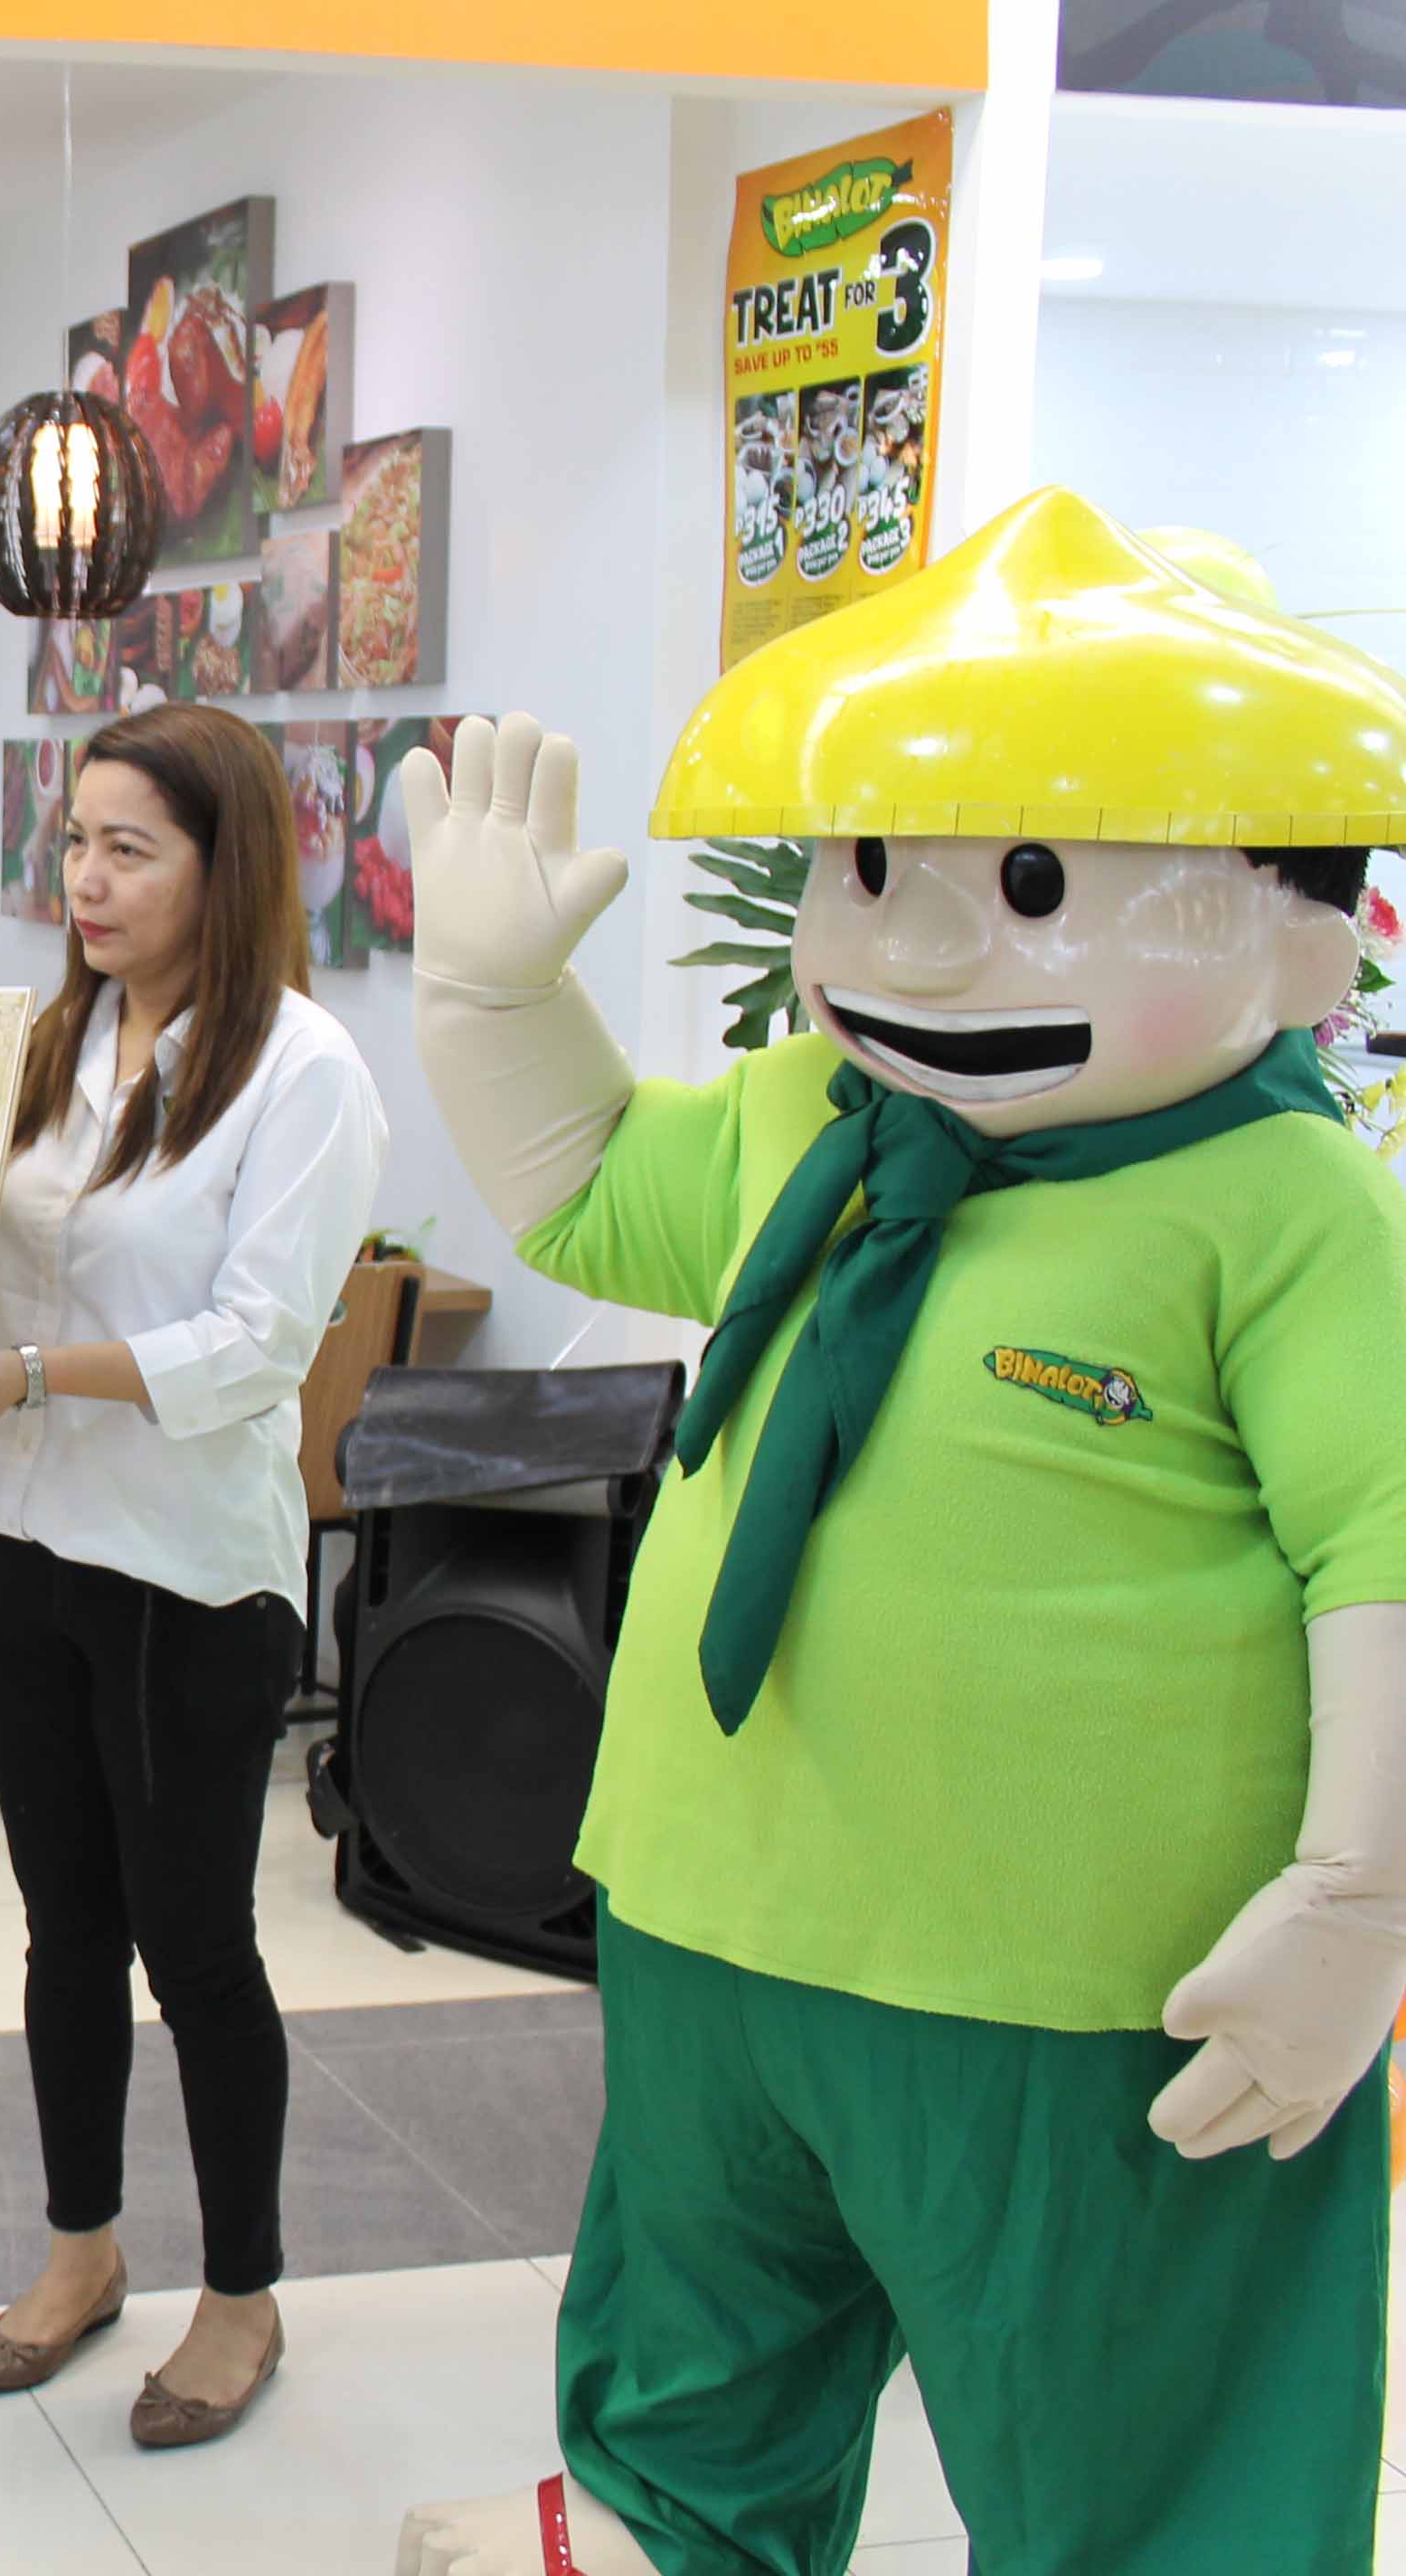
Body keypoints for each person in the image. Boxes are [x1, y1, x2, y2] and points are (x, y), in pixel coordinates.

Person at [393, 498, 1406, 2576]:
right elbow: (587, 1181)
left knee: (1149, 2449)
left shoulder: (1286, 1211)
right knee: (694, 2372)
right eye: (870, 866)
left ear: (1308, 936)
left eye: (1031, 883)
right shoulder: (807, 1120)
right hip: (716, 1932)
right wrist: (491, 996)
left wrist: (1361, 1898)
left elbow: (1384, 1547)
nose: (920, 947)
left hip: (1088, 1994)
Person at [0, 703, 384, 2447]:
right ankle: (82, 2252)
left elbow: (260, 1344)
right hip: (29, 1542)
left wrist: (30, 1377)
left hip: (186, 1571)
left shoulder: (302, 1072)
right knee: (65, 1931)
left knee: (196, 1948)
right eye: (75, 842)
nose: (86, 878)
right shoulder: (44, 1043)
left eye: (130, 849)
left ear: (229, 865)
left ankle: (242, 2297)